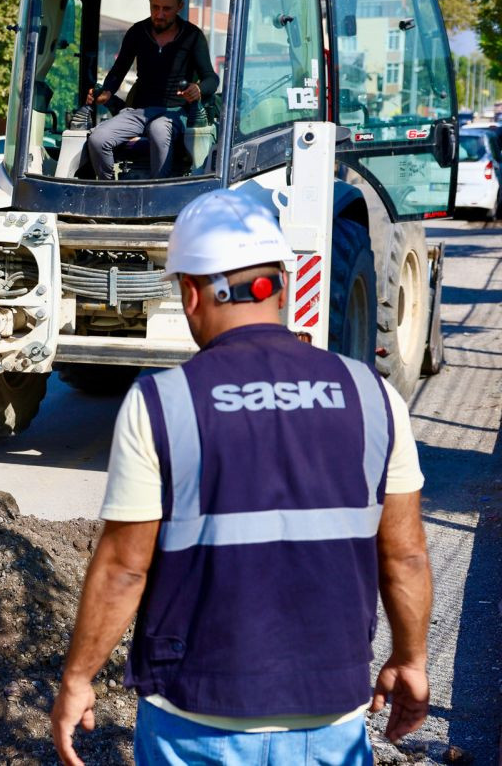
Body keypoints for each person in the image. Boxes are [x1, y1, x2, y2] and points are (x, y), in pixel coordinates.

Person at [50, 190, 432, 765]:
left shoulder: (162, 402)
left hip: (197, 714)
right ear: (280, 283)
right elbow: (405, 557)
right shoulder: (372, 396)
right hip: (330, 713)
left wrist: (78, 678)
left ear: (189, 292)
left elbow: (125, 568)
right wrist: (412, 659)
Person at [85, 0, 219, 179]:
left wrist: (198, 89)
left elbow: (211, 78)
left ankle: (158, 192)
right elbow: (118, 70)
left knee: (158, 130)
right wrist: (107, 90)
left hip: (175, 112)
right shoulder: (137, 32)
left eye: (167, 9)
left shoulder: (192, 36)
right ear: (149, 2)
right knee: (98, 138)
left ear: (179, 7)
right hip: (139, 111)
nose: (159, 14)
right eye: (155, 7)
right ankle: (109, 191)